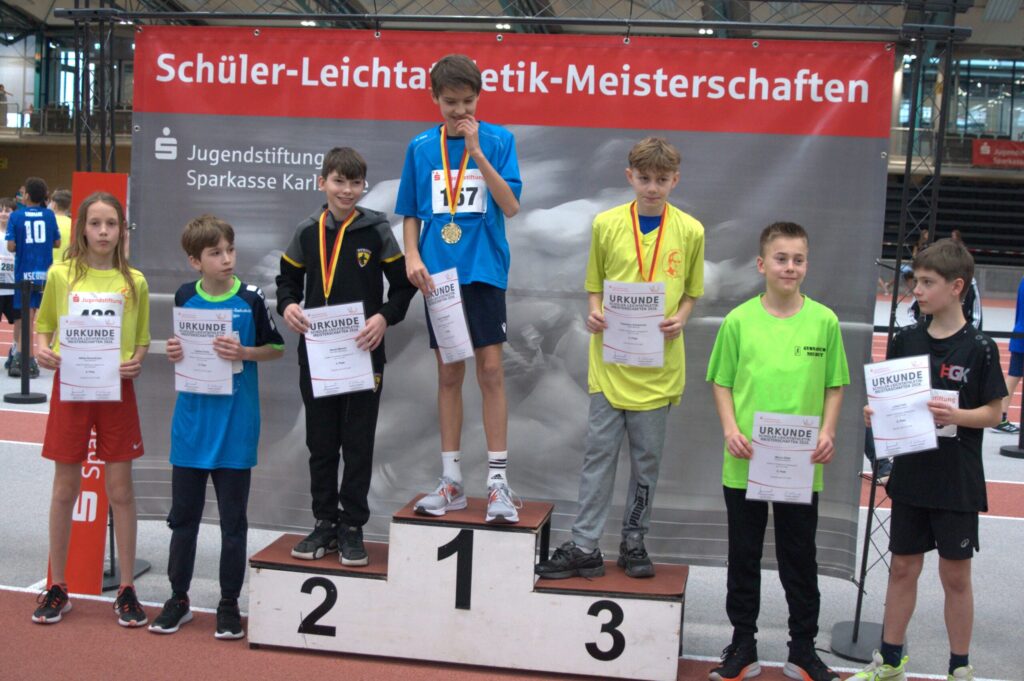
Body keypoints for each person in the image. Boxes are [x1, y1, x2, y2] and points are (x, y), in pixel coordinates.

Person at [533, 137, 704, 580]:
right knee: (598, 457)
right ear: (630, 177)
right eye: (644, 178)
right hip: (610, 366)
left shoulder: (691, 231)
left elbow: (691, 292)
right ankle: (585, 545)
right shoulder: (606, 224)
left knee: (647, 463)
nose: (652, 187)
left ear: (675, 180)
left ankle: (633, 541)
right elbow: (594, 286)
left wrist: (681, 318)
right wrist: (593, 312)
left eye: (661, 180)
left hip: (659, 370)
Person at [856, 239, 1005, 681]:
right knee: (903, 568)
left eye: (926, 283)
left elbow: (995, 413)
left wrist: (957, 416)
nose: (916, 291)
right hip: (912, 474)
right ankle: (890, 661)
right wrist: (877, 413)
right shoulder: (905, 340)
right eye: (915, 282)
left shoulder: (980, 347)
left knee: (955, 577)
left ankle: (960, 667)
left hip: (956, 480)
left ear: (956, 287)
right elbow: (889, 401)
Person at [706, 222, 849, 681]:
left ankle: (802, 649)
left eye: (798, 259)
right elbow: (721, 382)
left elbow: (835, 385)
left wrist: (828, 431)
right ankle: (742, 645)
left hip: (801, 464)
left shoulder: (824, 321)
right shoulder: (739, 320)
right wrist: (731, 430)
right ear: (761, 264)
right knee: (743, 555)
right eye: (781, 258)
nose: (790, 267)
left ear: (807, 264)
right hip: (745, 460)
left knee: (799, 557)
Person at [395, 53, 523, 523]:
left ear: (478, 97)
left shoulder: (499, 140)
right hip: (439, 277)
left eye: (468, 101)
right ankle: (450, 481)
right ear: (434, 98)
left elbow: (510, 205)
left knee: (490, 371)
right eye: (450, 101)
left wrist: (477, 153)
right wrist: (412, 255)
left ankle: (498, 483)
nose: (460, 110)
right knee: (449, 373)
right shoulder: (420, 147)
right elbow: (411, 211)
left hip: (484, 271)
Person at [277, 147, 415, 565]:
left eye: (355, 183)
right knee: (320, 444)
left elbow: (403, 286)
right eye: (339, 181)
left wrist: (384, 317)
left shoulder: (376, 230)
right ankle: (324, 523)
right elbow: (287, 280)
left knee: (357, 444)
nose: (347, 190)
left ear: (363, 186)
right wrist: (288, 305)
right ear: (322, 182)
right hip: (317, 356)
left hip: (362, 352)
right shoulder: (306, 231)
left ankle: (352, 526)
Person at [148, 215, 284, 639]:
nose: (226, 259)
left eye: (230, 250)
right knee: (183, 521)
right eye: (215, 253)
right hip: (190, 429)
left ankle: (228, 604)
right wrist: (175, 350)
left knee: (233, 524)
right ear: (195, 261)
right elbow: (182, 348)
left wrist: (245, 351)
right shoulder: (185, 296)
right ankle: (178, 599)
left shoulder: (251, 298)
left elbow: (276, 348)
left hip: (236, 429)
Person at [31, 192, 151, 626]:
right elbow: (44, 327)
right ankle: (58, 586)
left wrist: (137, 360)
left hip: (117, 391)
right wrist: (42, 350)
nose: (103, 232)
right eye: (96, 223)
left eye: (111, 224)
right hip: (72, 388)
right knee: (65, 488)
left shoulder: (133, 281)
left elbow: (141, 338)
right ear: (82, 227)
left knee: (121, 491)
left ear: (121, 230)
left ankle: (126, 589)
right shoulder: (60, 274)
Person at [5, 177, 60, 378]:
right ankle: (35, 356)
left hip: (24, 271)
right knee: (43, 317)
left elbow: (11, 246)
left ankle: (24, 358)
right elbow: (57, 242)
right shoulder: (49, 215)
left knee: (26, 317)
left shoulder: (16, 216)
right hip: (44, 271)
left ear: (27, 195)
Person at [992, 274, 1024, 434]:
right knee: (1013, 376)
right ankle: (1000, 417)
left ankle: (1000, 417)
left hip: (1019, 333)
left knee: (1013, 376)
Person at [0, 197, 16, 370]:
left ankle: (15, 352)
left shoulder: (16, 234)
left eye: (7, 210)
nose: (3, 213)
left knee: (19, 322)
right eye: (1, 210)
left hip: (13, 288)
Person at [49, 188, 73, 264]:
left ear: (54, 204)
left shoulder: (47, 222)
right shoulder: (73, 224)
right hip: (67, 264)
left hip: (49, 264)